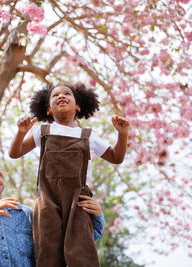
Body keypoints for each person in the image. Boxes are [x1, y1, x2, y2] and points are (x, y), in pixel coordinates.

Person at [9, 83, 129, 267]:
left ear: (78, 107)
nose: (61, 96)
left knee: (81, 251)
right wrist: (20, 133)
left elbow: (116, 157)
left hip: (78, 200)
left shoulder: (88, 135)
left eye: (67, 94)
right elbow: (14, 153)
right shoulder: (41, 131)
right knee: (47, 252)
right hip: (47, 200)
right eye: (55, 95)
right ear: (48, 110)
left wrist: (122, 134)